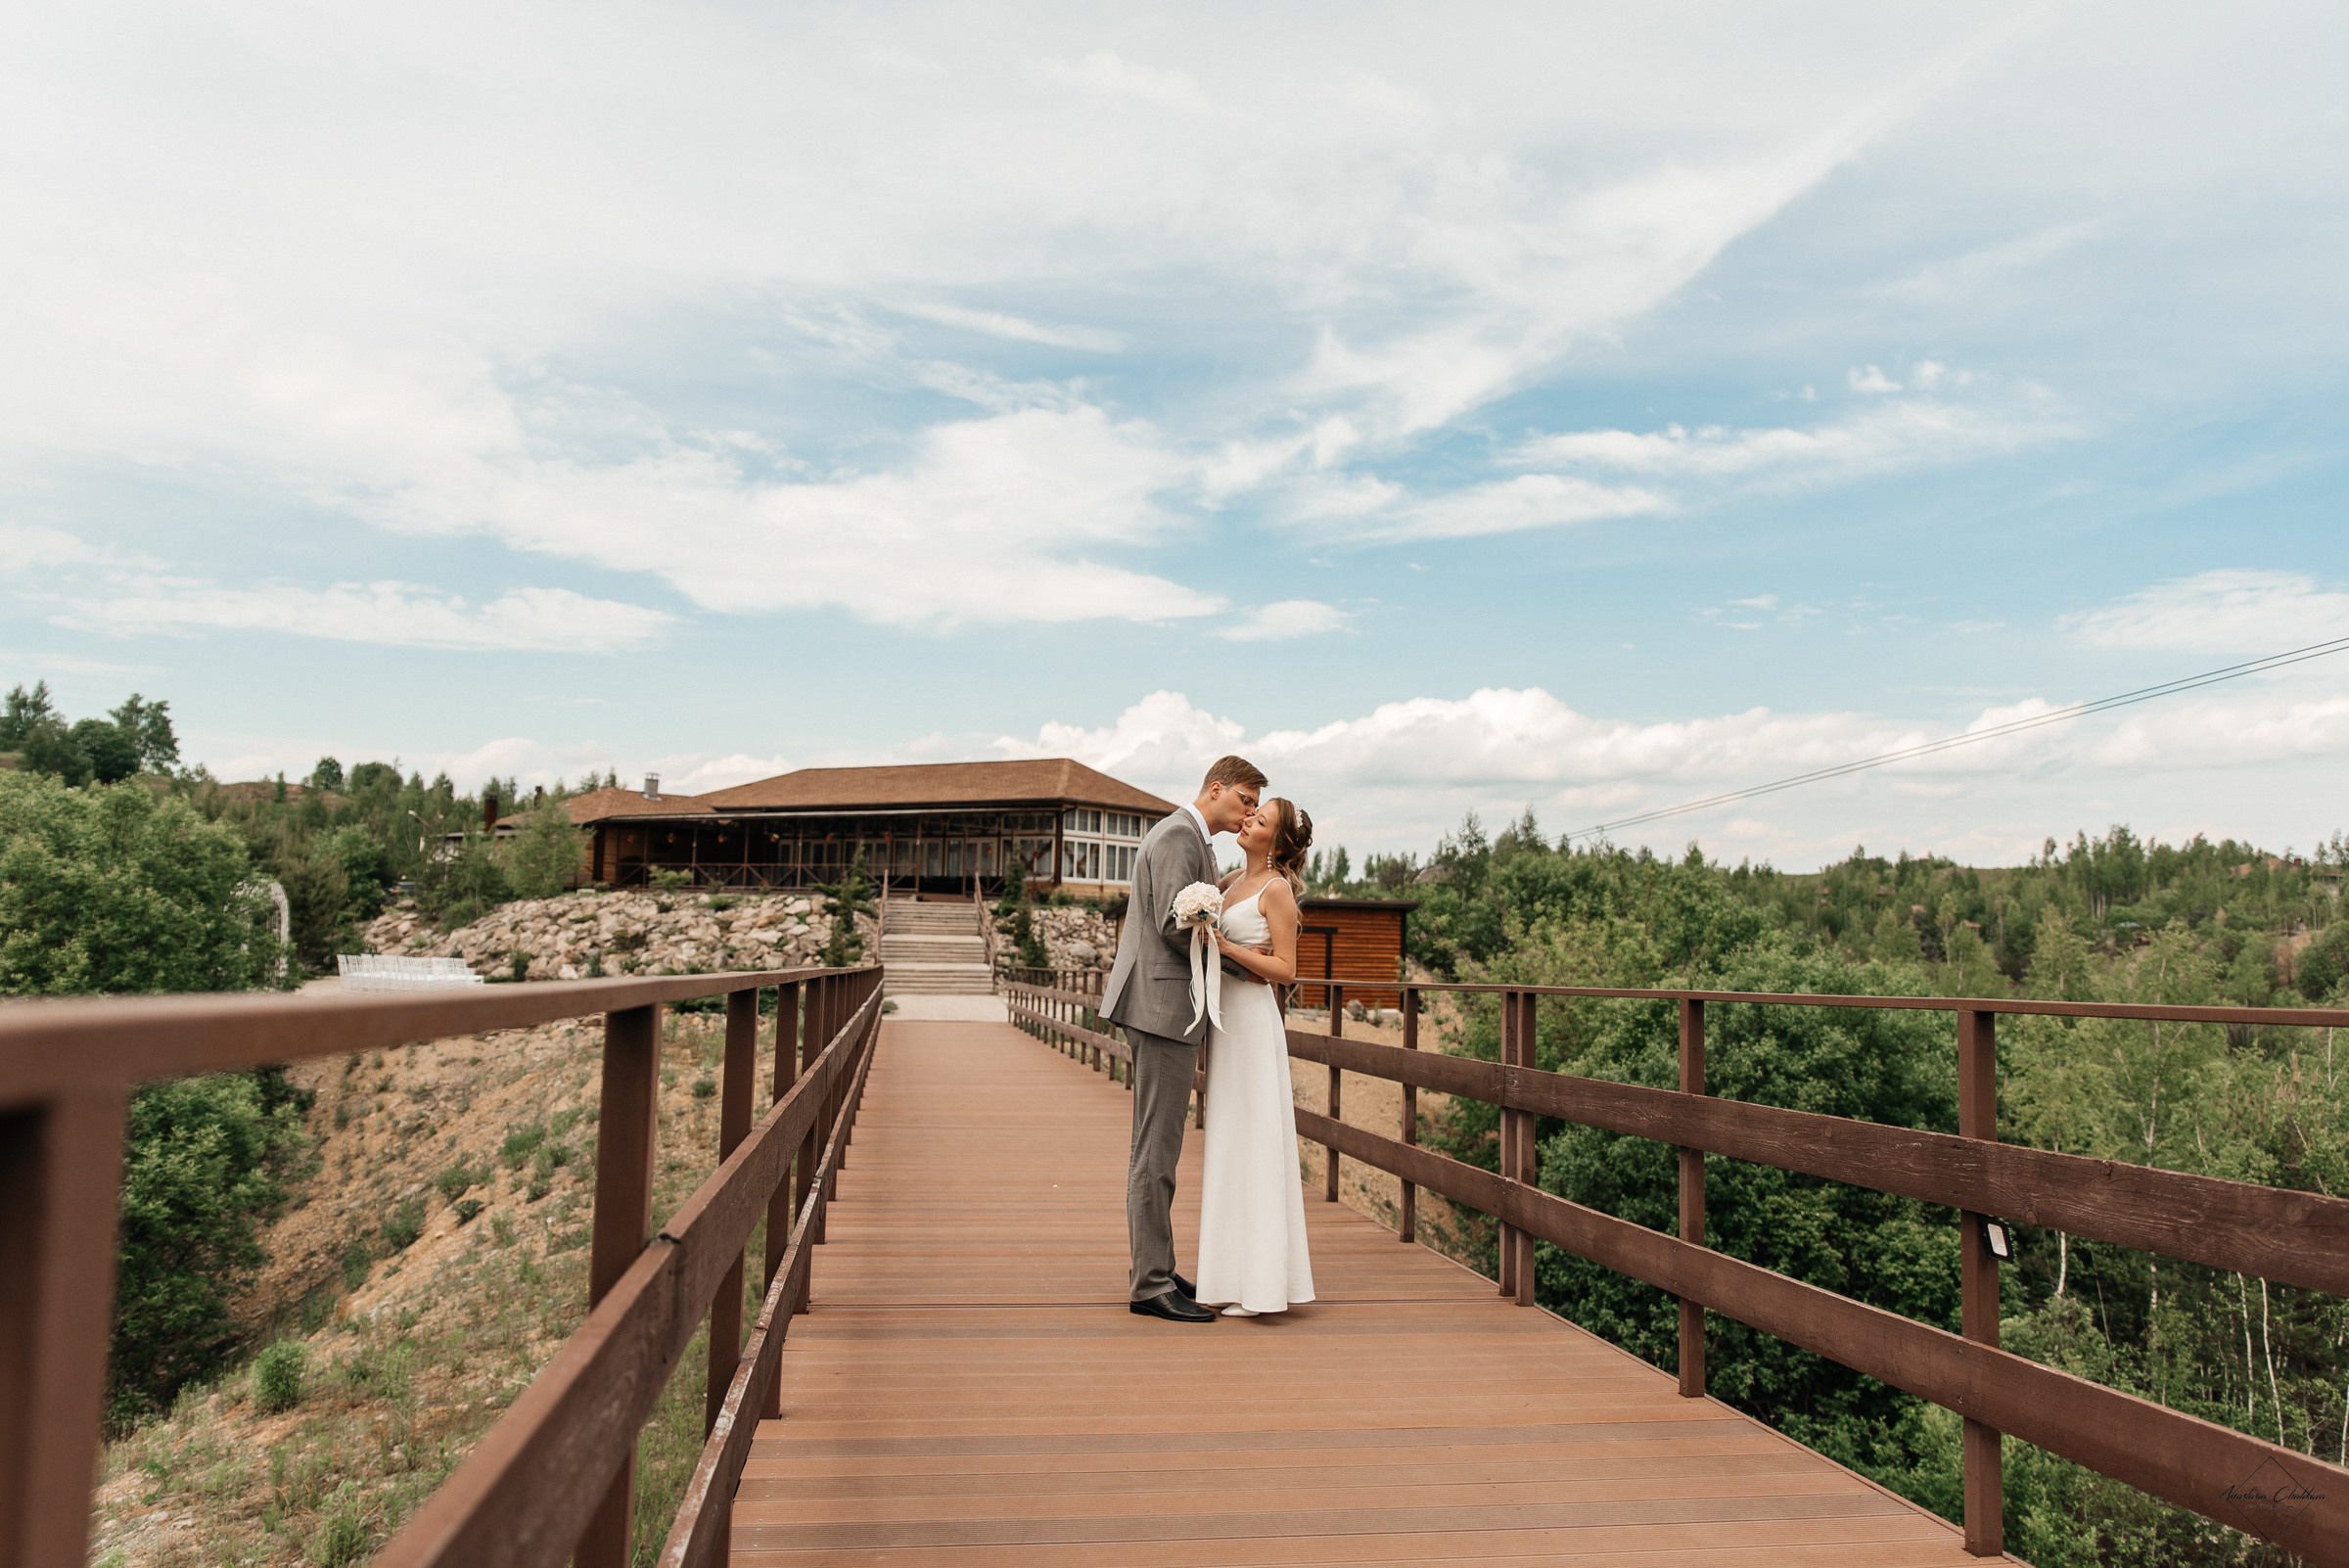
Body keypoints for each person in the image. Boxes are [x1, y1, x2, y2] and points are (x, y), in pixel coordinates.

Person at [1101, 754, 1265, 1322]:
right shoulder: (1178, 836)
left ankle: (1160, 1266)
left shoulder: (1190, 837)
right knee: (1156, 1148)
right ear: (1215, 789)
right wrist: (1249, 967)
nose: (1249, 812)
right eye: (1245, 799)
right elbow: (1178, 927)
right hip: (1163, 1007)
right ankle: (1149, 1285)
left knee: (1160, 1143)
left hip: (1166, 1005)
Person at [1193, 798, 1316, 1317]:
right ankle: (1227, 1275)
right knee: (1229, 1140)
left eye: (1260, 821)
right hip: (1226, 1023)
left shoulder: (1276, 890)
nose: (1247, 821)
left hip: (1254, 1021)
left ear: (1280, 843)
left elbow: (1285, 969)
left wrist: (1224, 947)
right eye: (1251, 814)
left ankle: (1263, 1287)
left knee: (1258, 1141)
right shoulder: (1226, 885)